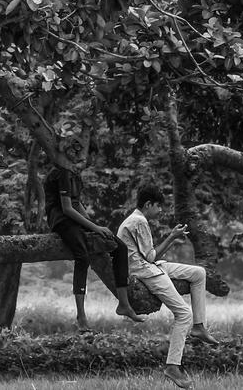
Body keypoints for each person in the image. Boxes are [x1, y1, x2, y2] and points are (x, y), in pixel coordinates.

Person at [117, 186, 220, 389]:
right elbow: (151, 256)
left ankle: (199, 327)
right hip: (145, 271)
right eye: (159, 206)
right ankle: (173, 365)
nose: (161, 211)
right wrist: (172, 237)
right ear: (148, 205)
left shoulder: (134, 220)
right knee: (183, 315)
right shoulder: (139, 221)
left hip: (148, 266)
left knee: (199, 273)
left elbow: (150, 256)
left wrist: (172, 237)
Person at [44, 148, 146, 331]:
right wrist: (94, 227)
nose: (84, 160)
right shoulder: (62, 173)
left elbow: (78, 205)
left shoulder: (75, 174)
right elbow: (67, 209)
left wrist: (96, 227)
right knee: (82, 256)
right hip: (61, 221)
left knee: (119, 247)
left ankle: (124, 304)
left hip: (75, 219)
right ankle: (81, 316)